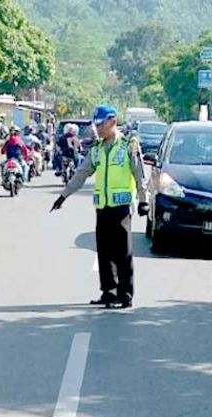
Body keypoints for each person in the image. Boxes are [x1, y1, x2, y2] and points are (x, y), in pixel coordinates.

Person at [50, 105, 148, 309]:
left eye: (101, 124)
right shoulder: (96, 149)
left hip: (121, 207)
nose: (98, 129)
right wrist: (63, 196)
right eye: (96, 125)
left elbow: (139, 174)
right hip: (102, 207)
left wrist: (143, 200)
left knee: (123, 253)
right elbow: (81, 173)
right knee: (104, 252)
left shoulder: (128, 145)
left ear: (113, 122)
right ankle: (109, 293)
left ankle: (125, 294)